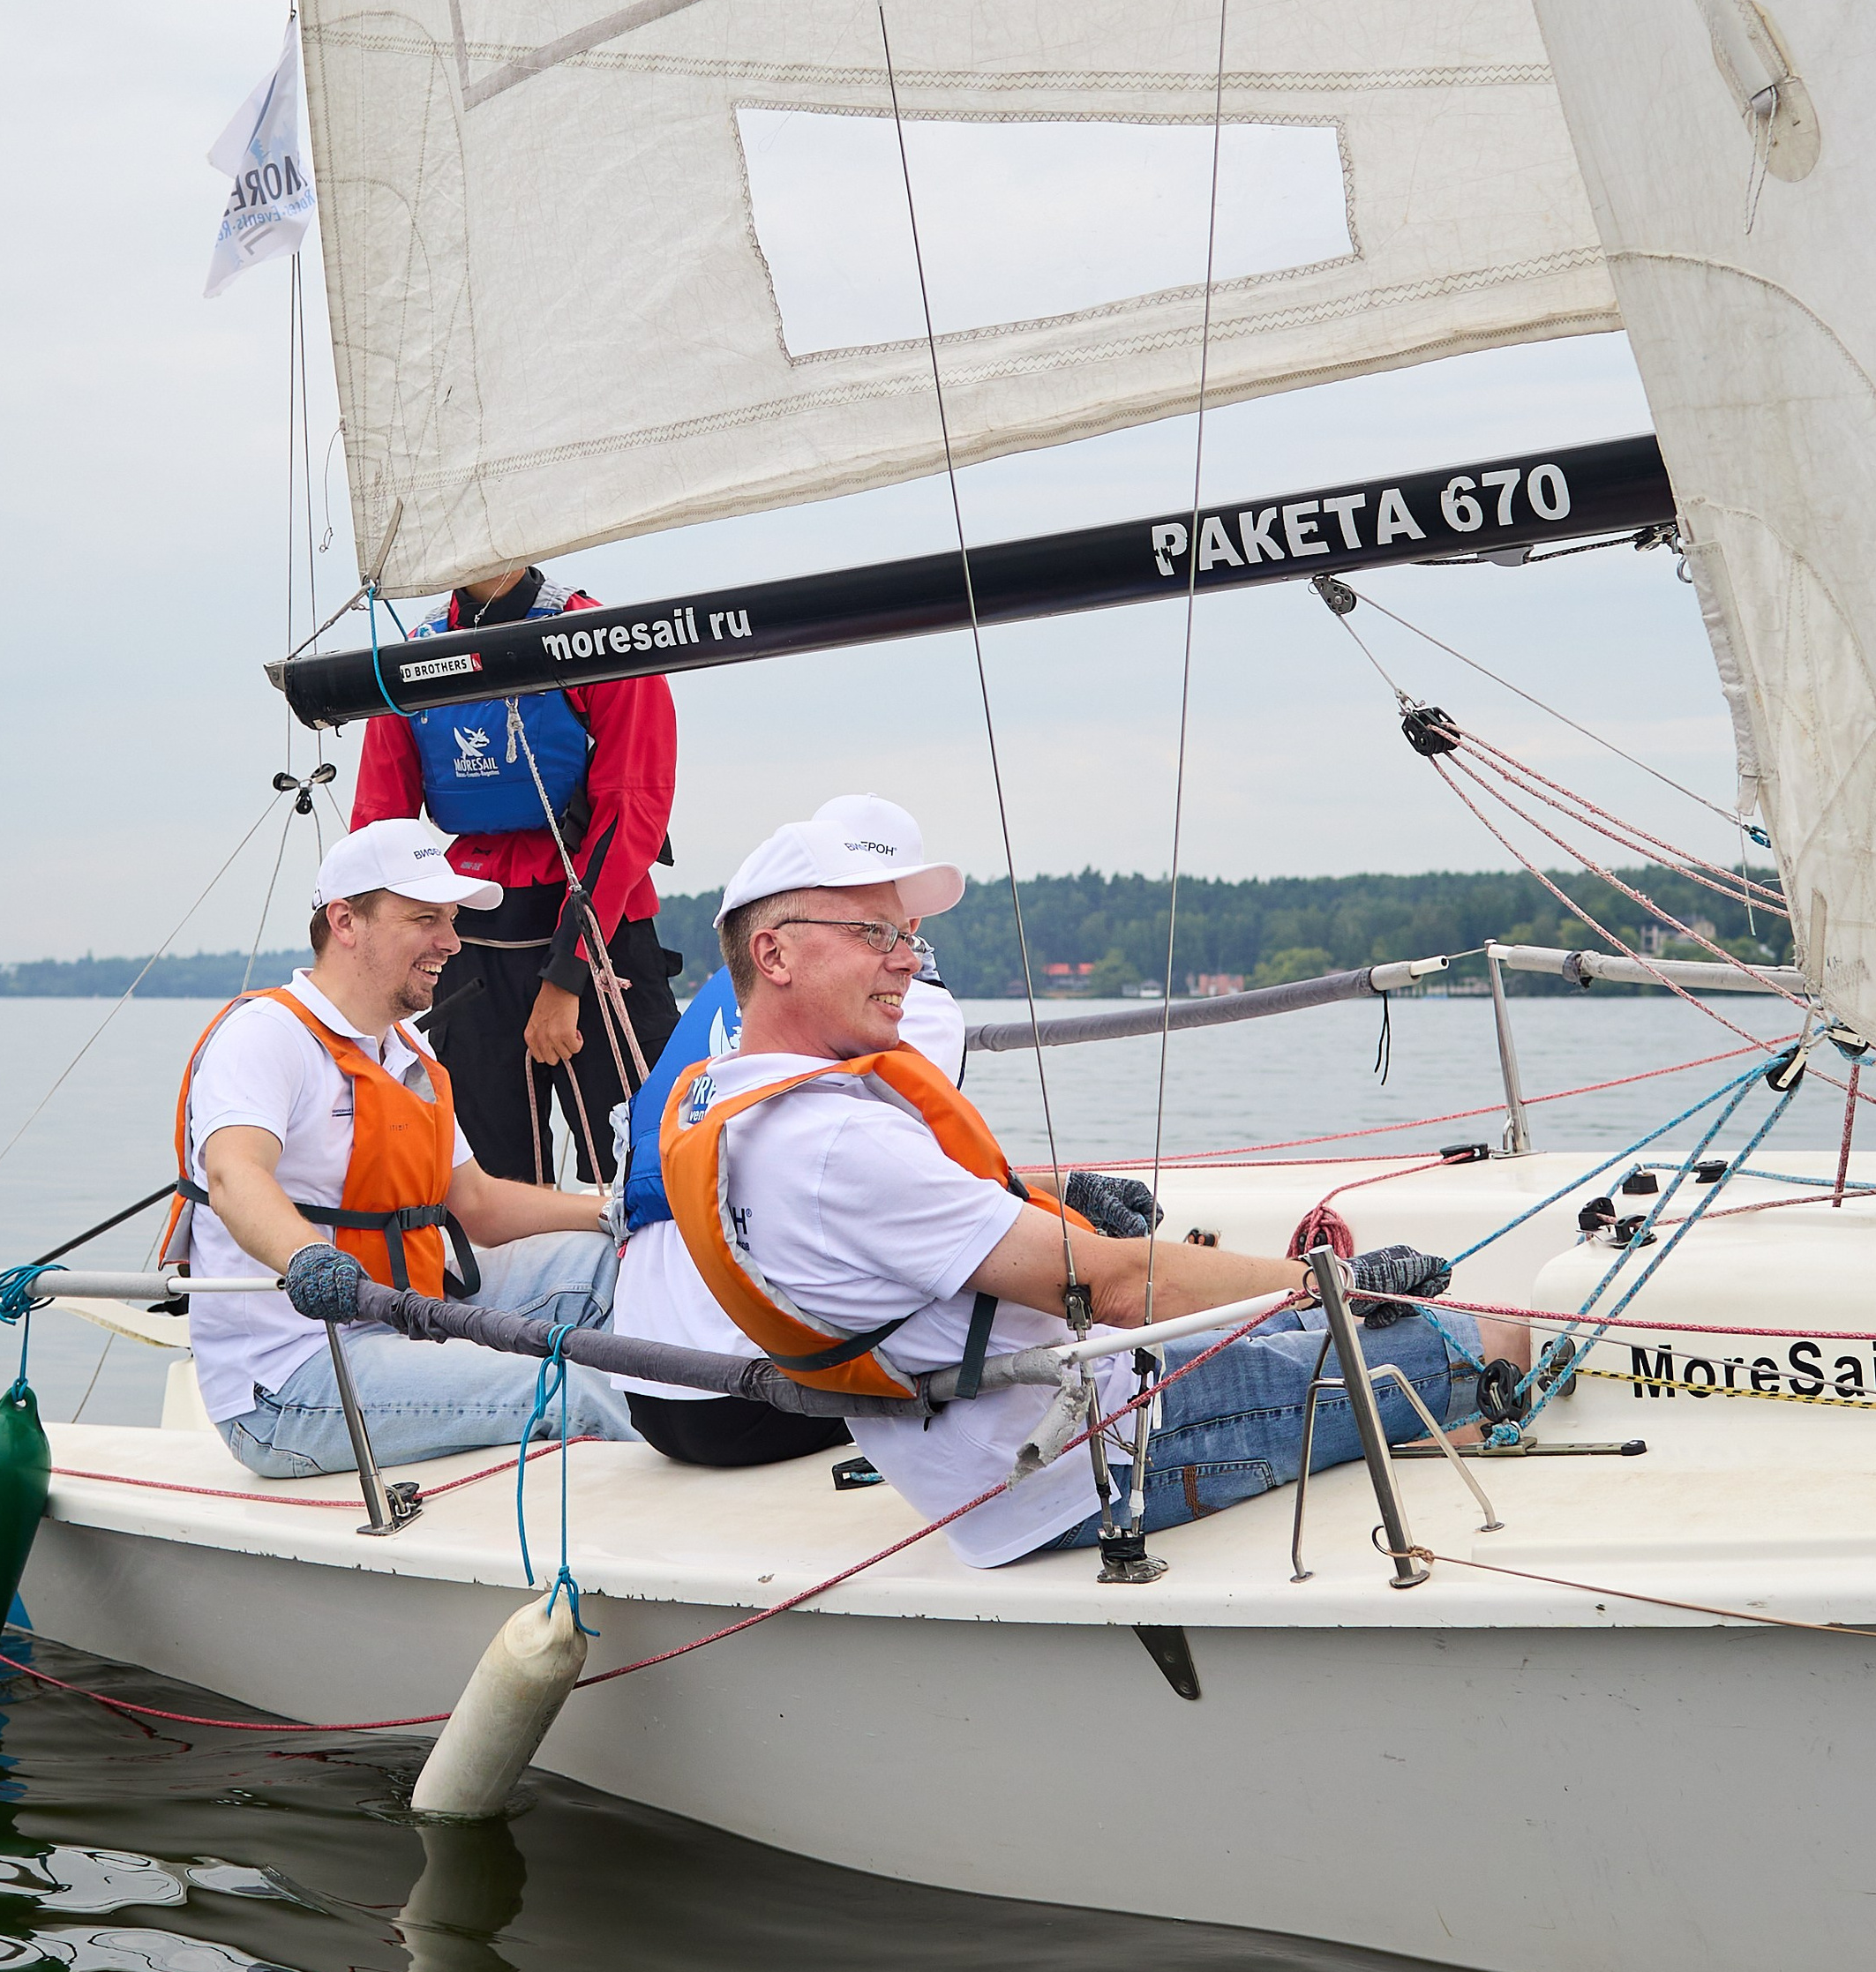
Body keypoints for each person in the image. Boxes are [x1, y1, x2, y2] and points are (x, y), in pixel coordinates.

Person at [611, 814, 1530, 1563]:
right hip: (1094, 1455)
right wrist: (1330, 1278)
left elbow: (908, 1225)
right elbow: (1117, 1286)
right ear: (773, 956)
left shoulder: (728, 1108)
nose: (905, 959)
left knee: (1309, 1323)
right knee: (1494, 1334)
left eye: (908, 935)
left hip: (1011, 1430)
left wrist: (1062, 1196)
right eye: (872, 933)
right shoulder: (839, 1139)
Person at [167, 821, 639, 1475]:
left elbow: (476, 1202)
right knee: (579, 1390)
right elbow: (233, 1173)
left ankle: (710, 1433)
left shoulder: (404, 1051)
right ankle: (709, 1546)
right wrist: (308, 1259)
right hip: (291, 1381)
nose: (451, 942)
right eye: (425, 919)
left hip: (403, 1311)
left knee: (613, 1264)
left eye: (449, 920)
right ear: (345, 921)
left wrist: (618, 1209)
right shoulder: (266, 1036)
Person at [613, 797, 966, 1471]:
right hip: (758, 1400)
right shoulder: (914, 1008)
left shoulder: (735, 989)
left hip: (645, 1384)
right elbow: (909, 1189)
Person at [349, 559, 681, 1189]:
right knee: (490, 1181)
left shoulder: (600, 639)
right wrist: (361, 979)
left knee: (638, 1171)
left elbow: (631, 812)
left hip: (602, 930)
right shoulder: (413, 663)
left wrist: (566, 978)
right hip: (469, 936)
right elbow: (376, 835)